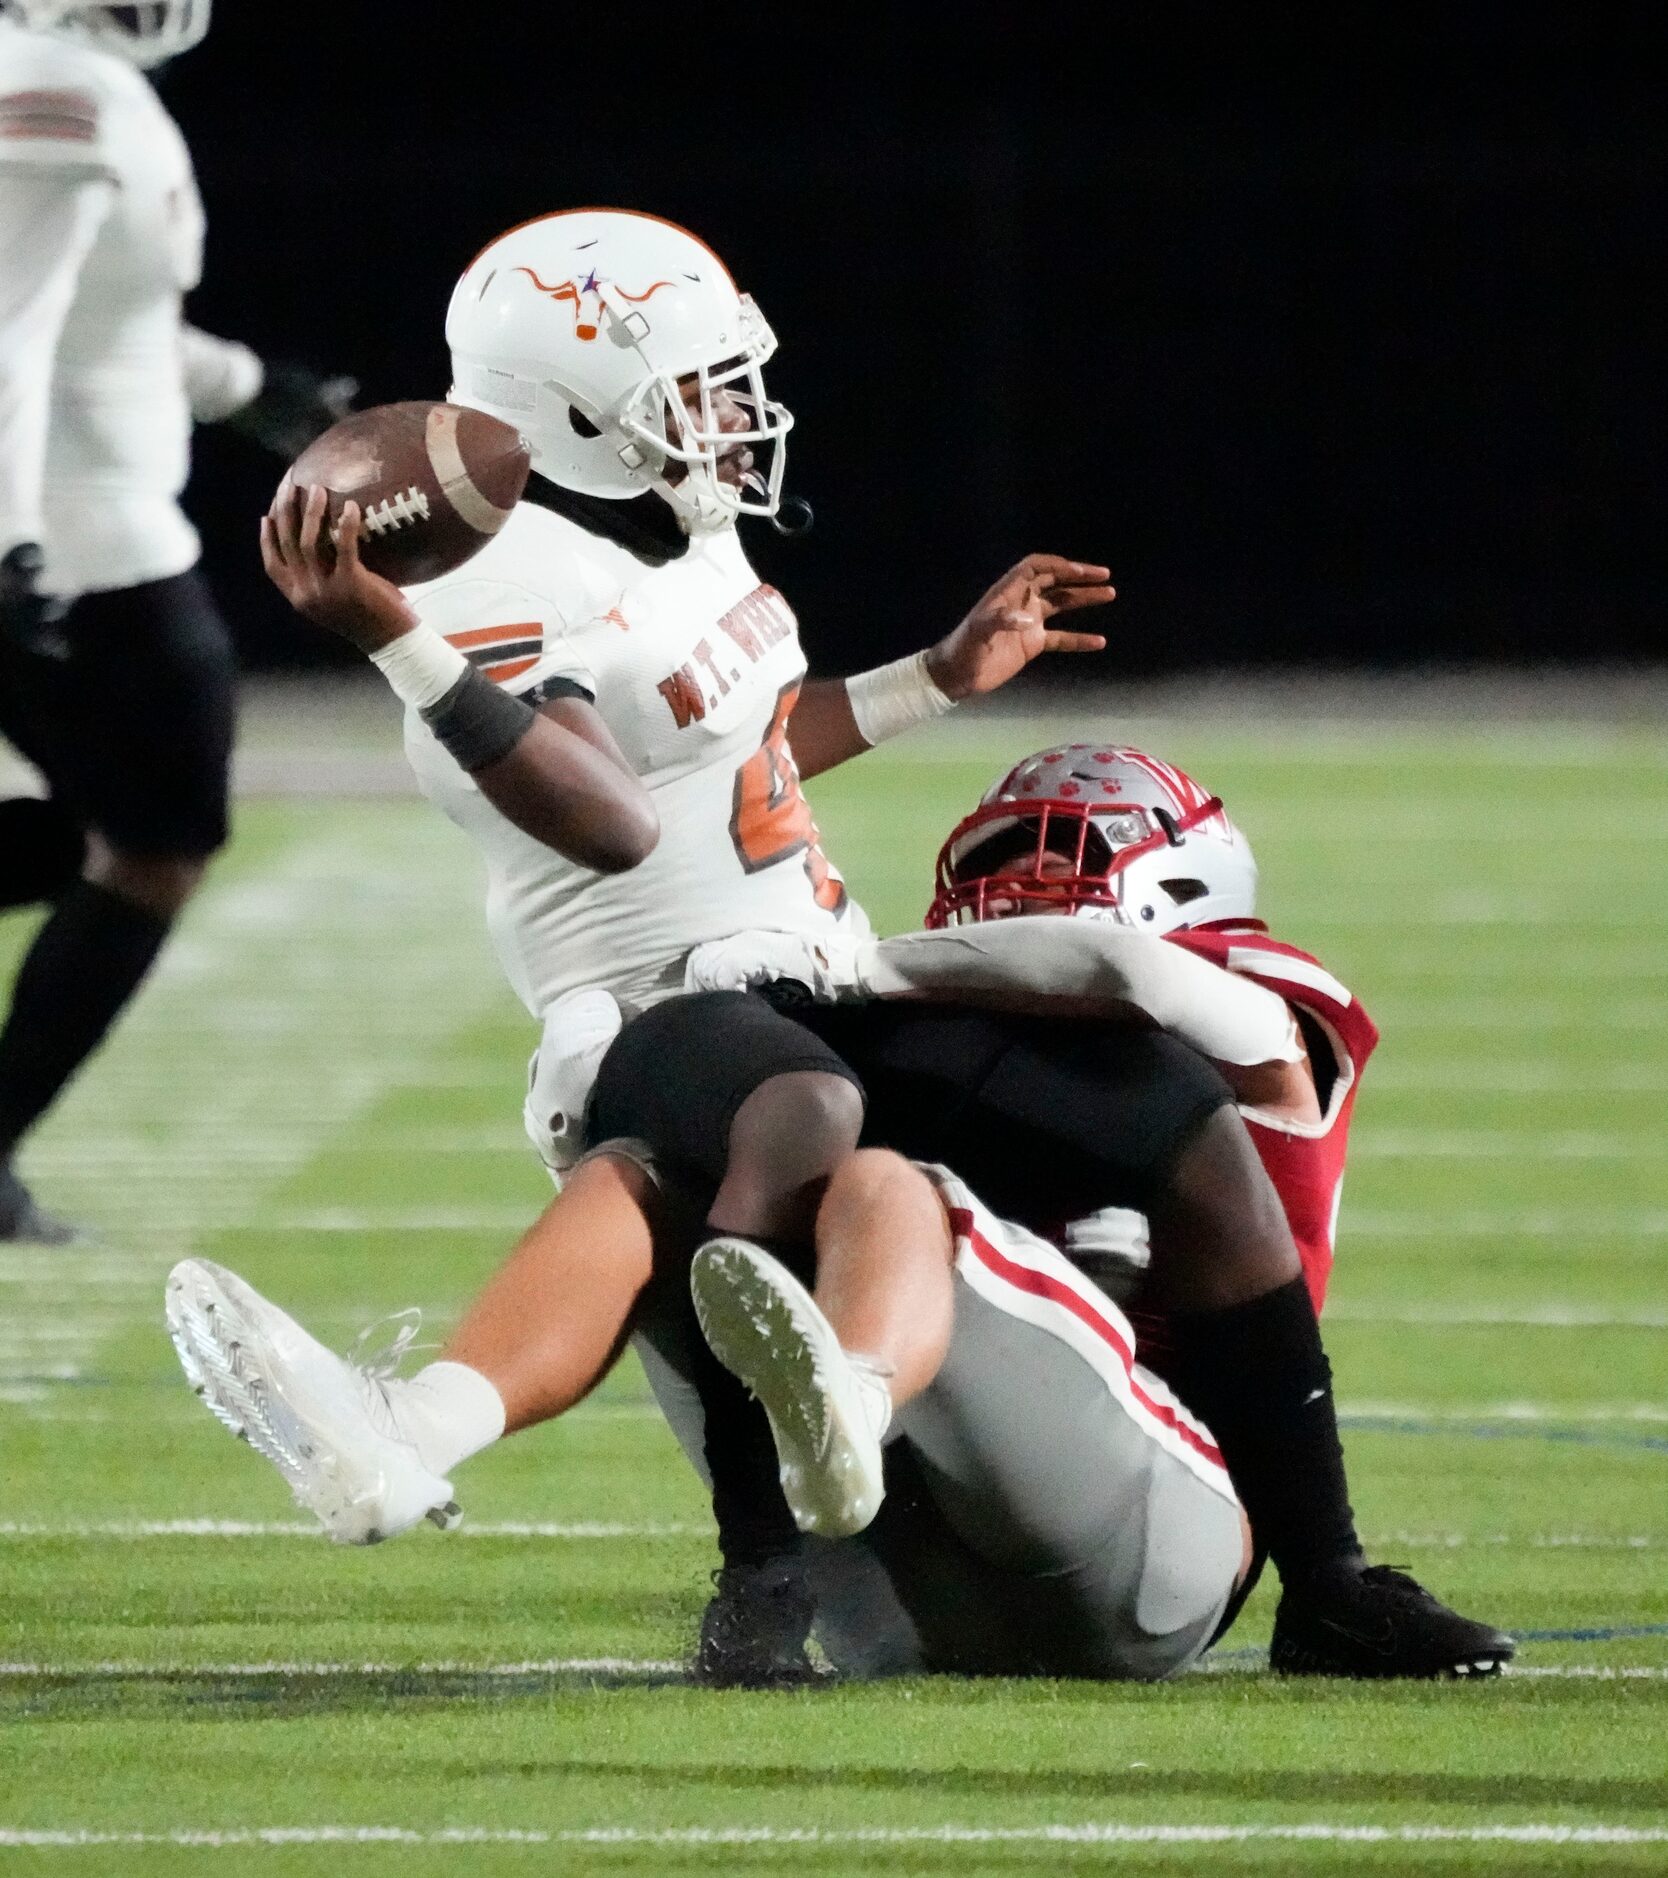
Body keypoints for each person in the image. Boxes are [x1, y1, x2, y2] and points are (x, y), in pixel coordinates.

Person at [234, 204, 1506, 1680]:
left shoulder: (684, 532)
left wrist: (932, 679)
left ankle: (1333, 1578)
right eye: (690, 388)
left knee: (1173, 1115)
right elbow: (608, 821)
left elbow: (749, 758)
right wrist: (401, 639)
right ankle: (759, 1570)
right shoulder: (492, 581)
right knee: (800, 1115)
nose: (727, 415)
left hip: (812, 975)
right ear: (575, 415)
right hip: (654, 1018)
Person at [0, 0, 354, 1242]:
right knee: (151, 840)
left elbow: (107, 325)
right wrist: (6, 542)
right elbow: (6, 327)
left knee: (87, 841)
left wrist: (255, 391)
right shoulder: (51, 80)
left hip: (77, 532)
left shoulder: (77, 78)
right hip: (80, 545)